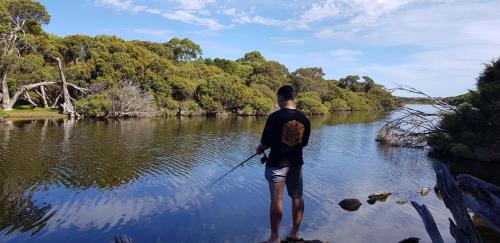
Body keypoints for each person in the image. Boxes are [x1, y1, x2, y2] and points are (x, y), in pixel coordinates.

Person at [256, 85, 311, 243]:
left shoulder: (274, 117)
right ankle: (294, 233)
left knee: (276, 199)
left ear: (280, 98)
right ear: (294, 98)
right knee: (297, 197)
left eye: (277, 99)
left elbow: (265, 143)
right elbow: (304, 143)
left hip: (277, 164)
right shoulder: (304, 119)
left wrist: (260, 149)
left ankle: (274, 238)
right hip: (296, 164)